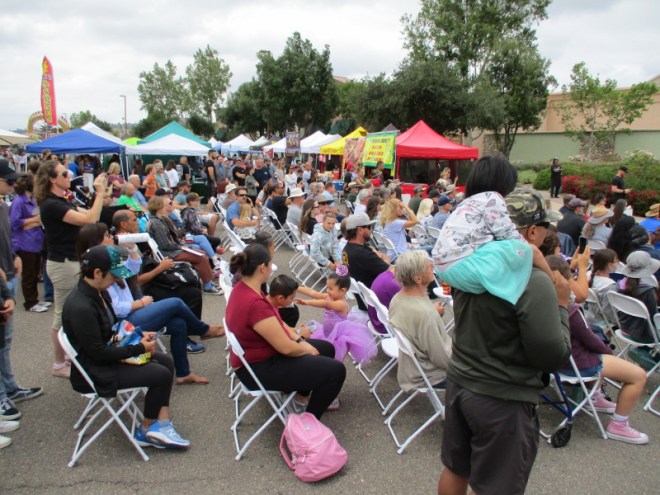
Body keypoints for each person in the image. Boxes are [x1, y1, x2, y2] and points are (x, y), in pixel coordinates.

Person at [438, 188, 571, 495]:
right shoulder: (532, 279)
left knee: (456, 468)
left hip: (460, 381)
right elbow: (552, 356)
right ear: (533, 231)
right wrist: (562, 305)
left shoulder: (472, 267)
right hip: (502, 397)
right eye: (545, 226)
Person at [62, 245, 190, 449]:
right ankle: (146, 430)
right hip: (95, 371)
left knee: (166, 361)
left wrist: (137, 335)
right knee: (160, 374)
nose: (115, 281)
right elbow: (98, 352)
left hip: (106, 357)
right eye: (112, 276)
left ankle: (162, 423)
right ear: (97, 273)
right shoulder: (82, 307)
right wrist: (138, 348)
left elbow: (113, 329)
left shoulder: (98, 292)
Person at [225, 243, 346, 419]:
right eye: (270, 263)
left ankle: (300, 398)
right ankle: (308, 421)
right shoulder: (255, 303)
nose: (271, 268)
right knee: (336, 371)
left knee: (327, 348)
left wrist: (299, 339)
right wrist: (305, 347)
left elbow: (278, 324)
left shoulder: (244, 288)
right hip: (257, 369)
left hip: (255, 358)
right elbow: (286, 349)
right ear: (262, 267)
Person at [546, 254, 648, 444]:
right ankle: (619, 425)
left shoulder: (534, 306)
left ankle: (594, 395)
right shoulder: (571, 311)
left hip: (552, 364)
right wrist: (610, 354)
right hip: (575, 364)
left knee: (599, 347)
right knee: (638, 375)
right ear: (567, 281)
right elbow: (592, 343)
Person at [433, 157, 556, 305]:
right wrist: (527, 252)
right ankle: (553, 283)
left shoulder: (467, 201)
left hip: (443, 269)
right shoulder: (493, 198)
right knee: (530, 250)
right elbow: (508, 236)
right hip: (463, 266)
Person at [36, 159, 109, 377]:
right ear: (52, 179)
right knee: (62, 314)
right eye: (64, 174)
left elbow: (92, 214)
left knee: (71, 312)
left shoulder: (62, 201)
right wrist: (99, 192)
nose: (69, 176)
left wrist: (100, 195)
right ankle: (59, 364)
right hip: (63, 263)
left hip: (70, 260)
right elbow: (90, 219)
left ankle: (68, 355)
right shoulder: (51, 205)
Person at [0, 160, 43, 430]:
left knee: (5, 341)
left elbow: (6, 237)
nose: (13, 184)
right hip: (3, 278)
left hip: (9, 273)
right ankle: (2, 397)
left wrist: (13, 256)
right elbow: (18, 226)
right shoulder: (13, 204)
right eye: (8, 180)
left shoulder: (4, 206)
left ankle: (9, 388)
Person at [389, 251, 452, 390]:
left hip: (412, 367)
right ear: (418, 278)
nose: (432, 265)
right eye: (428, 265)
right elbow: (441, 357)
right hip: (432, 374)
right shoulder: (425, 314)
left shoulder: (397, 299)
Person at [296, 266, 376, 364]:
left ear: (342, 290)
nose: (327, 291)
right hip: (326, 332)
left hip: (336, 338)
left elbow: (326, 304)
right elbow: (313, 293)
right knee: (310, 333)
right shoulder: (329, 296)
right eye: (327, 287)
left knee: (331, 357)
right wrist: (296, 287)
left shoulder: (341, 304)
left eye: (331, 288)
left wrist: (308, 302)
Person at [146, 196, 221, 295]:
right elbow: (165, 245)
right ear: (159, 206)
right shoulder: (157, 223)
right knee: (200, 256)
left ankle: (208, 282)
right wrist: (181, 246)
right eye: (167, 204)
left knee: (201, 253)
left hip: (171, 250)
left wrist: (180, 245)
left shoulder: (159, 220)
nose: (170, 205)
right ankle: (208, 286)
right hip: (169, 253)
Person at [9, 174, 48, 312]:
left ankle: (34, 299)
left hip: (35, 241)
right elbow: (14, 222)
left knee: (35, 272)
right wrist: (34, 221)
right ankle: (30, 303)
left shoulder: (32, 199)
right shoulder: (19, 201)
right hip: (24, 243)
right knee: (29, 274)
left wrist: (32, 223)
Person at [618, 251, 659, 343]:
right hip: (645, 335)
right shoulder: (647, 291)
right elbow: (654, 315)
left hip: (624, 329)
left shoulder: (619, 285)